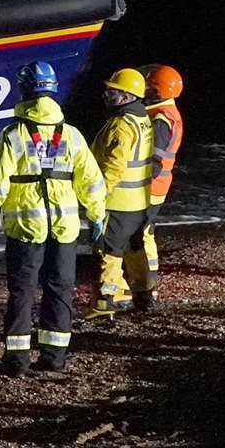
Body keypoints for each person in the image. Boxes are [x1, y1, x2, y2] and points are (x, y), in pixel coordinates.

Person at [0, 60, 106, 375]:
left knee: (22, 292)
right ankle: (54, 359)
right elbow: (92, 181)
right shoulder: (72, 136)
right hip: (65, 228)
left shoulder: (12, 135)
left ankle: (17, 361)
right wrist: (97, 215)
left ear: (24, 91)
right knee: (60, 290)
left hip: (25, 228)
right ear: (53, 91)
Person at [88, 67, 156, 319]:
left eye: (113, 92)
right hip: (139, 202)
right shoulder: (143, 120)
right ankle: (144, 295)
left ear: (127, 97)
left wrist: (97, 195)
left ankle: (106, 299)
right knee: (135, 249)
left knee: (108, 251)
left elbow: (115, 165)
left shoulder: (121, 125)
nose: (107, 95)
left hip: (118, 202)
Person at [136, 64, 184, 314]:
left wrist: (135, 182)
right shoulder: (167, 112)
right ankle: (147, 282)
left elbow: (154, 159)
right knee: (146, 232)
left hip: (150, 187)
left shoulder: (159, 119)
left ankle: (145, 286)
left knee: (140, 234)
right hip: (159, 185)